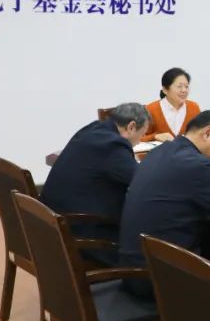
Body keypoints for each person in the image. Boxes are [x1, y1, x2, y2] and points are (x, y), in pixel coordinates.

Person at [119, 110, 210, 295]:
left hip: (133, 268)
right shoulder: (196, 165)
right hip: (161, 278)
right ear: (208, 133)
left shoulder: (159, 151)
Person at [41, 103, 149, 249]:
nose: (140, 140)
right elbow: (143, 180)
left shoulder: (94, 128)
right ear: (131, 127)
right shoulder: (113, 146)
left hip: (54, 223)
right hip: (83, 235)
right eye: (142, 134)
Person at [143, 67, 201, 142]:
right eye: (179, 86)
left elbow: (201, 136)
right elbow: (137, 138)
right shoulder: (150, 109)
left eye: (186, 86)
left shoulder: (194, 107)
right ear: (165, 90)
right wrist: (155, 136)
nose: (184, 90)